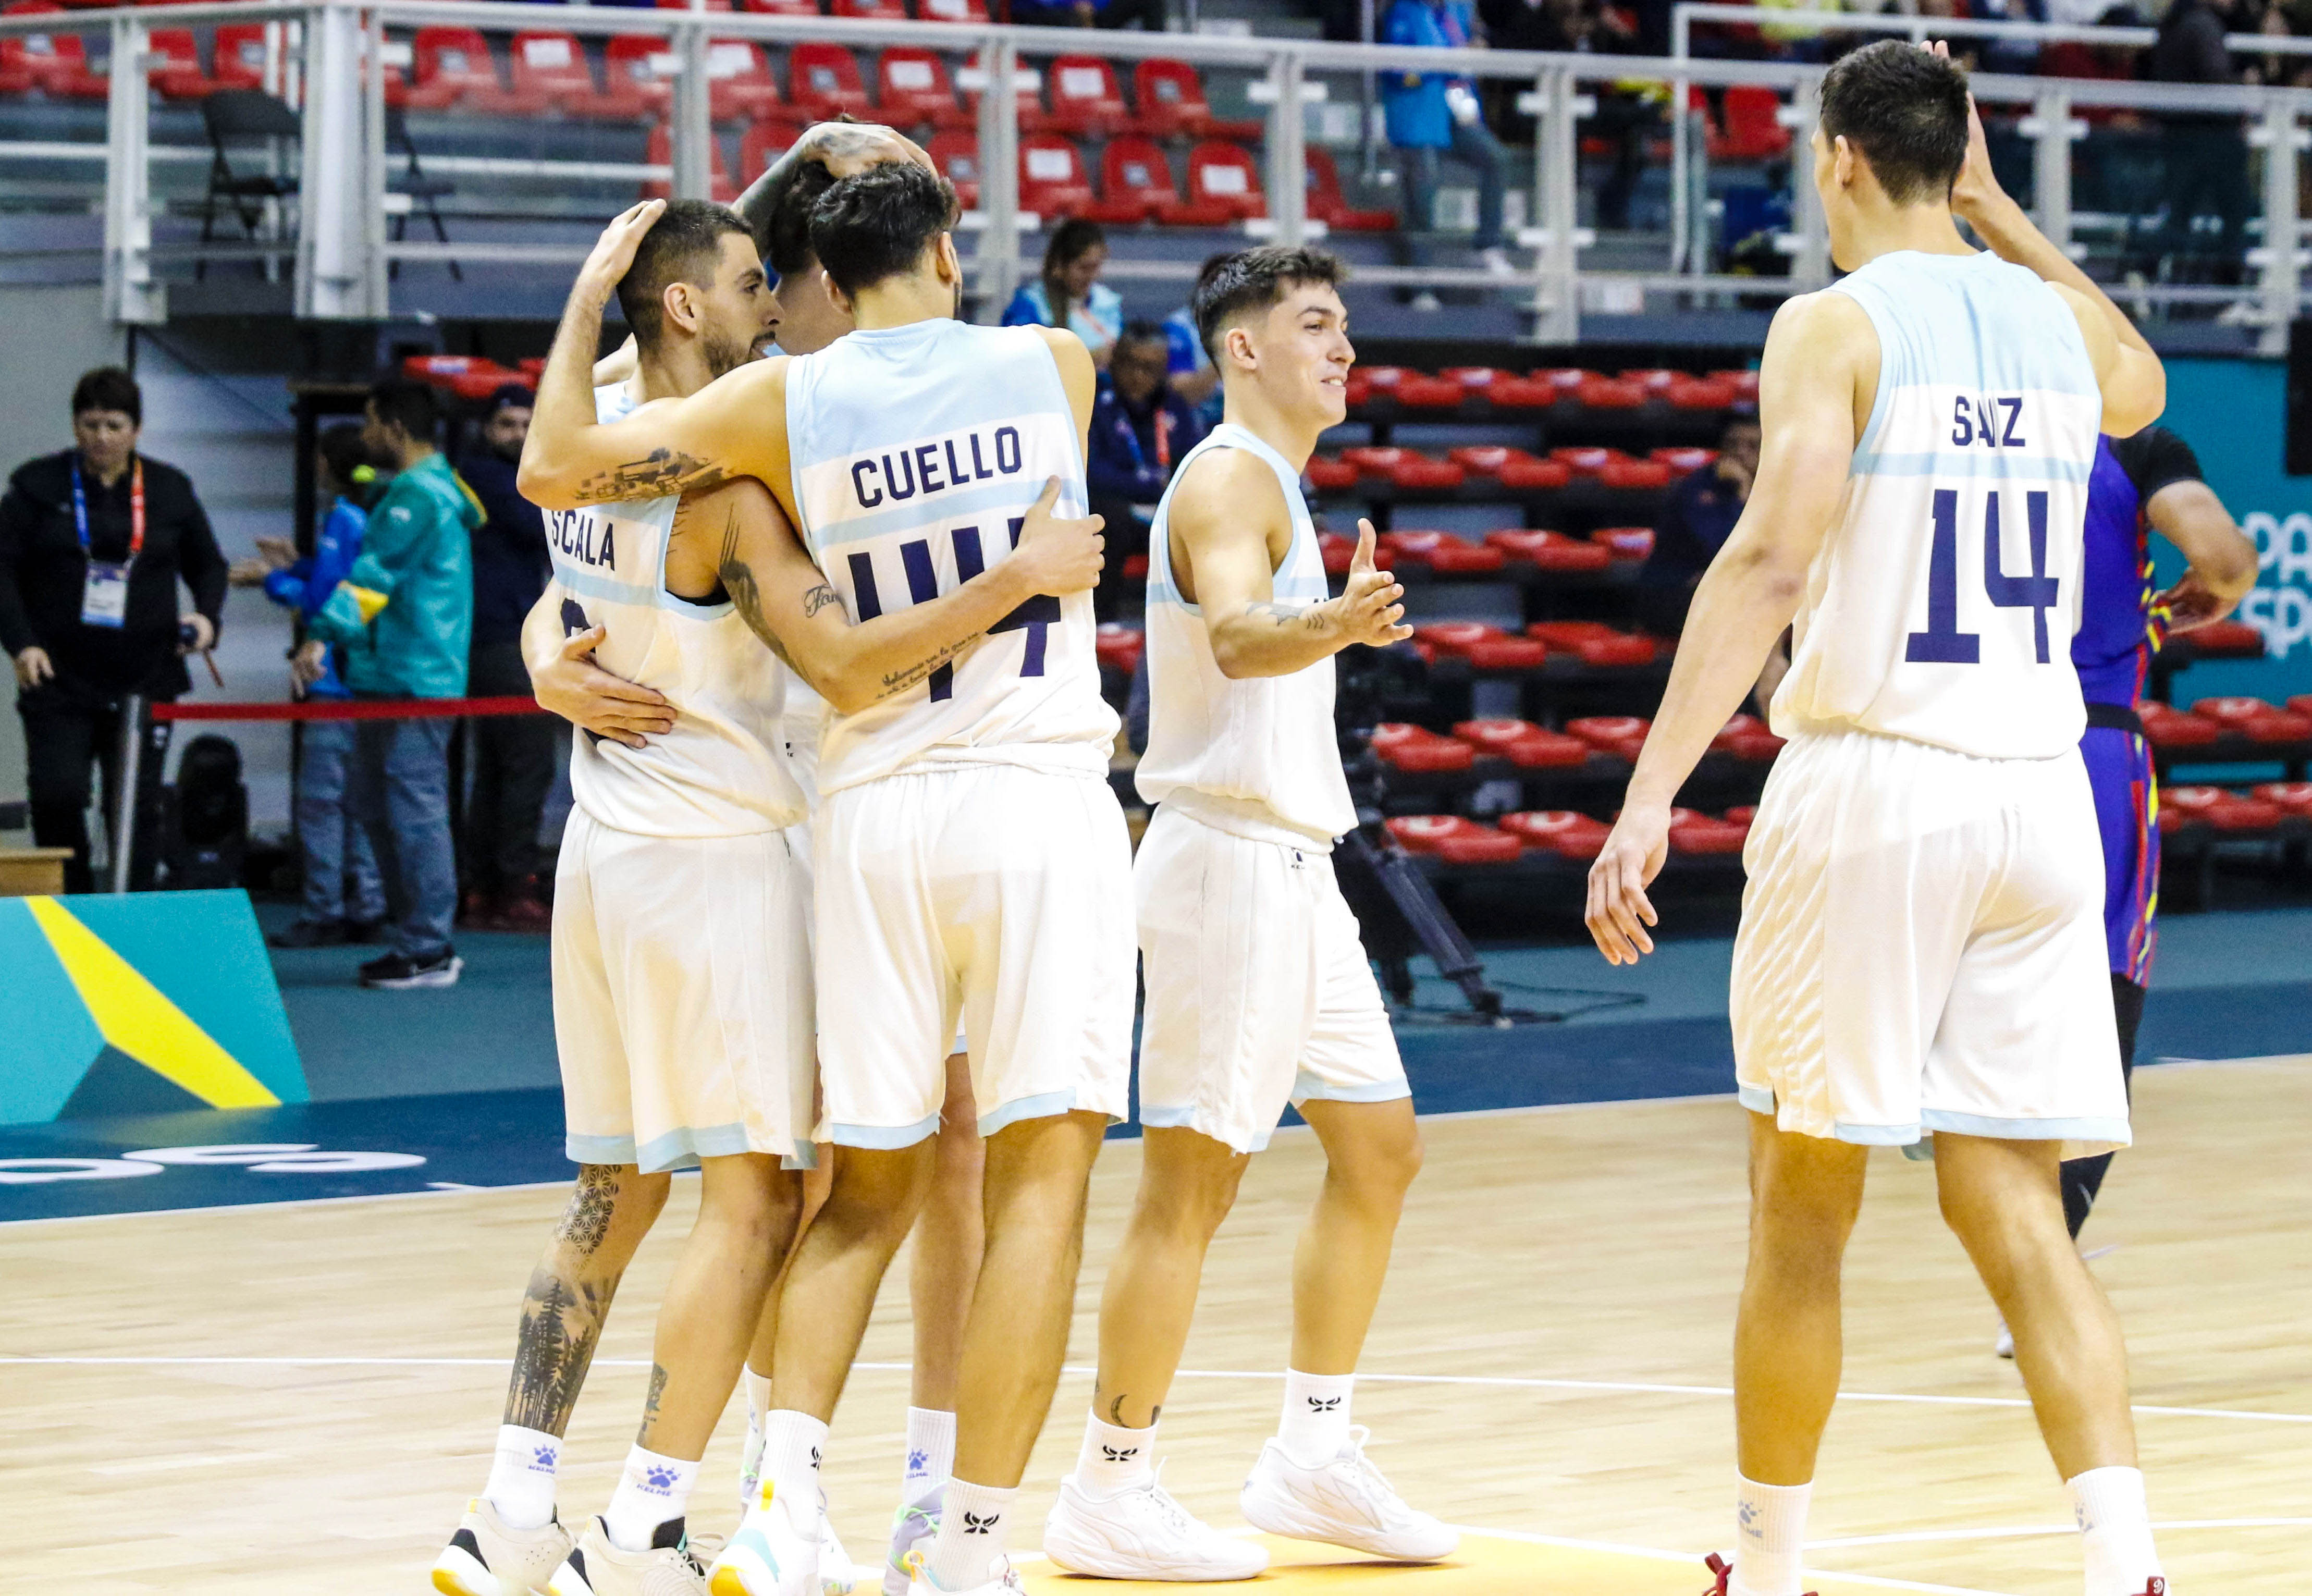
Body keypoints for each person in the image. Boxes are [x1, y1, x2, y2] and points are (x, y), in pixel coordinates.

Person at [438, 196, 1104, 1596]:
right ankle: (655, 1521)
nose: (772, 301)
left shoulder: (622, 420)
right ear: (693, 303)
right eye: (753, 283)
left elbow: (556, 508)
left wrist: (545, 646)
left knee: (613, 1192)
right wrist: (1015, 574)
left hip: (603, 854)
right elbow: (849, 663)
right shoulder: (752, 452)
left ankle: (509, 1506)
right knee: (766, 1200)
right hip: (727, 851)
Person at [1583, 41, 2171, 1596]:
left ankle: (1767, 1567)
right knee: (2016, 1209)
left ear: (1836, 159)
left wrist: (1644, 796)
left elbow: (1770, 561)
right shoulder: (2049, 329)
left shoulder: (1831, 323)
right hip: (2037, 799)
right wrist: (2001, 211)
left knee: (1798, 1204)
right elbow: (2143, 383)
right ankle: (2126, 1569)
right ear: (1954, 157)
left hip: (1878, 783)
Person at [584, 121, 995, 1596]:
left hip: (891, 789)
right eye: (762, 260)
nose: (773, 280)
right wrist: (541, 656)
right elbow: (568, 510)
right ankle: (774, 1484)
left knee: (946, 1138)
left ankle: (929, 1489)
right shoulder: (724, 388)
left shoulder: (917, 363)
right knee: (795, 1171)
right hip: (777, 807)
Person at [1044, 246, 1454, 1581]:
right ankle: (1110, 1483)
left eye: (1343, 326)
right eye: (1314, 326)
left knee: (1377, 1148)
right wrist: (1333, 619)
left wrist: (1330, 618)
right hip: (1224, 863)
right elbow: (1231, 633)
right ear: (1241, 349)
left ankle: (1311, 1455)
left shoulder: (1276, 478)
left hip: (1295, 870)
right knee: (1190, 1185)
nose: (1342, 349)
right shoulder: (1225, 477)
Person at [0, 366, 226, 893]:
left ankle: (133, 911)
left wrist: (208, 618)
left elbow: (208, 565)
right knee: (58, 793)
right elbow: (1, 569)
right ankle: (76, 902)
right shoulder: (37, 487)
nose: (101, 437)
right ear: (75, 427)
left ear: (137, 430)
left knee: (135, 804)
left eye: (114, 425)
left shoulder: (169, 489)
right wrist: (21, 642)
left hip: (144, 673)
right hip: (58, 674)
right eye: (90, 424)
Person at [308, 375, 478, 989]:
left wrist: (319, 636)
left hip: (416, 681)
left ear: (395, 429)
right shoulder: (426, 491)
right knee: (374, 804)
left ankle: (429, 944)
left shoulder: (417, 497)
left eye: (370, 422)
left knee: (413, 810)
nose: (366, 436)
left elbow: (373, 576)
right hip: (390, 678)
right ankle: (418, 937)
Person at [229, 422, 389, 946]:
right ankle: (368, 902)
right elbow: (338, 578)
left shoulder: (344, 518)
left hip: (334, 681)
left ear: (326, 464)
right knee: (361, 799)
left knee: (323, 800)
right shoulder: (367, 515)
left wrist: (269, 579)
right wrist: (297, 563)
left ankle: (325, 909)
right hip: (362, 682)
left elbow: (329, 600)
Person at [457, 383, 558, 932]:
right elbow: (542, 526)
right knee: (525, 763)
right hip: (501, 640)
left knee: (497, 771)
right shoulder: (486, 477)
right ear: (487, 429)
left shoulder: (497, 477)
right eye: (507, 426)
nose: (517, 435)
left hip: (499, 636)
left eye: (525, 425)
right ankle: (511, 888)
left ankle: (485, 886)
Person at [1382, 0, 1517, 285]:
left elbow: (1469, 56)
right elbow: (1396, 70)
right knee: (1424, 185)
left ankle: (1489, 244)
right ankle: (1421, 280)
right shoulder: (1403, 12)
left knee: (1496, 158)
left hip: (1456, 113)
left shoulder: (1458, 10)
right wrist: (1442, 65)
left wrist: (1475, 53)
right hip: (1419, 115)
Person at [1087, 320, 1205, 619]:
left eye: (1151, 368)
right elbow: (1091, 472)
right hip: (1118, 512)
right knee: (1106, 518)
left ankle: (1199, 621)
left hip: (1165, 515)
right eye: (1131, 364)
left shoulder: (1173, 406)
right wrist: (1152, 485)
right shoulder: (1093, 401)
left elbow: (1195, 463)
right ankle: (1103, 623)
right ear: (1115, 360)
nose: (1139, 375)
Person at [2146, 0, 2252, 284]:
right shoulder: (2203, 25)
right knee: (2234, 214)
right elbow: (2216, 77)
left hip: (2180, 137)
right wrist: (2247, 84)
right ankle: (2230, 283)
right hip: (2212, 139)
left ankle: (2145, 272)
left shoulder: (2173, 22)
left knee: (2178, 216)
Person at [1633, 413, 1760, 638]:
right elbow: (1723, 551)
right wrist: (1742, 497)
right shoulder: (1698, 489)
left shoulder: (1772, 487)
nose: (1741, 452)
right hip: (1671, 594)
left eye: (1753, 446)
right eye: (1732, 444)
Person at [1002, 219, 1123, 365]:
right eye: (1084, 268)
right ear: (1059, 264)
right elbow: (1020, 361)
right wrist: (1088, 361)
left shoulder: (1108, 302)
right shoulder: (1029, 306)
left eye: (1096, 267)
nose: (1091, 276)